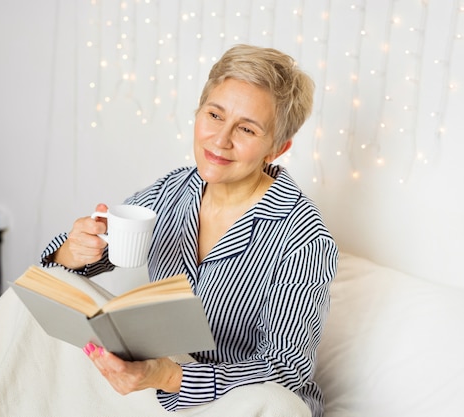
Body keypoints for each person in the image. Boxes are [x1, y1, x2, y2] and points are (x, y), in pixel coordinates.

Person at [41, 44, 338, 416]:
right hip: (156, 378)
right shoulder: (172, 190)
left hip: (231, 398)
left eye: (246, 128)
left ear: (276, 149)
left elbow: (286, 370)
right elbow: (63, 266)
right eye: (215, 115)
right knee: (51, 296)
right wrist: (74, 251)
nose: (221, 139)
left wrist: (171, 377)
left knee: (276, 405)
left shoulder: (304, 238)